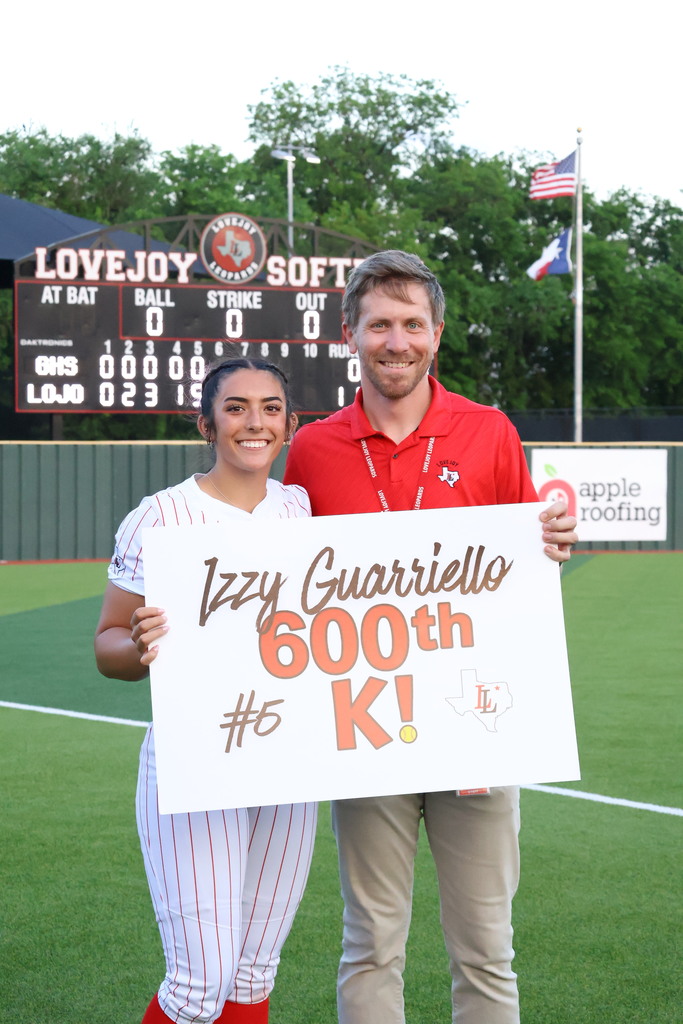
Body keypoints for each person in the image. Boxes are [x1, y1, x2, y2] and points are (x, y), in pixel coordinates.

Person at [283, 250, 578, 1024]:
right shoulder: (312, 448)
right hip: (365, 726)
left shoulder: (488, 432)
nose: (396, 341)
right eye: (379, 324)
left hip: (476, 726)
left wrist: (549, 540)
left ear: (437, 335)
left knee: (485, 947)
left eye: (412, 324)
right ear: (350, 334)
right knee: (369, 943)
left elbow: (528, 562)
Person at [94, 358, 317, 1024]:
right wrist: (139, 642)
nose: (255, 422)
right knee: (199, 986)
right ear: (207, 422)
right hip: (196, 763)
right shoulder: (161, 516)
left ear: (289, 423)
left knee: (251, 975)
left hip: (288, 762)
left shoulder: (301, 510)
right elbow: (108, 647)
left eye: (271, 407)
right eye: (237, 407)